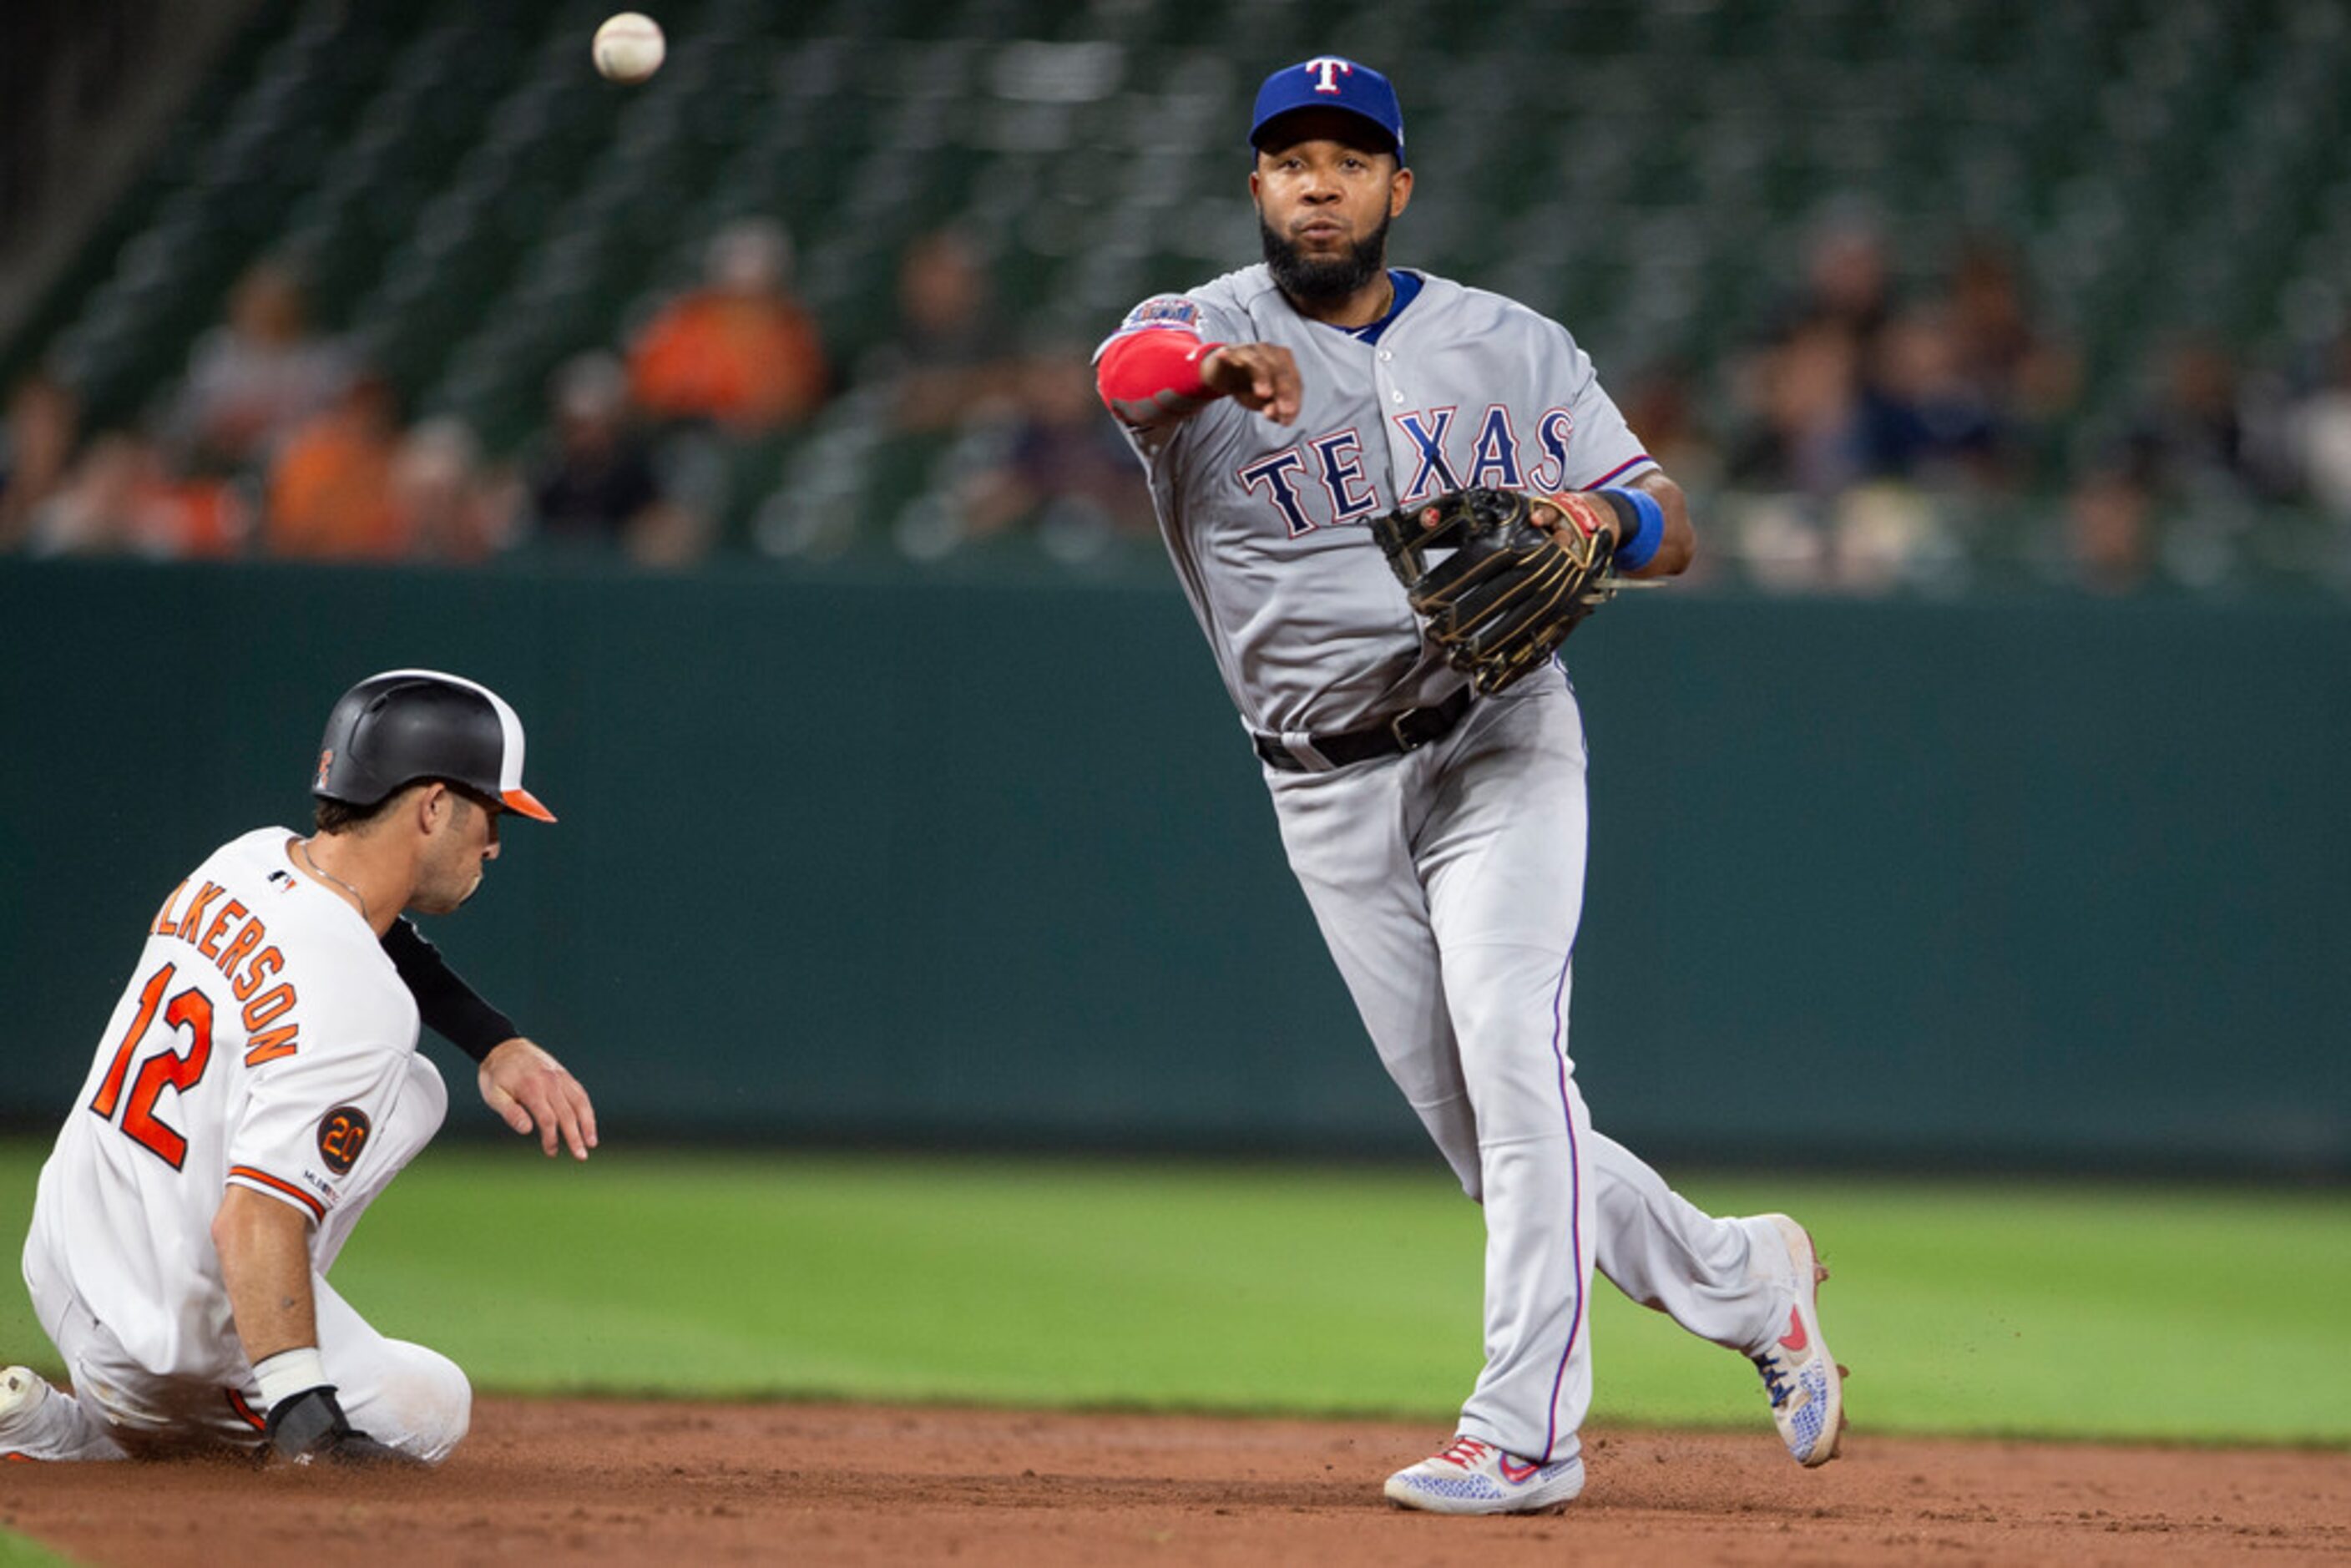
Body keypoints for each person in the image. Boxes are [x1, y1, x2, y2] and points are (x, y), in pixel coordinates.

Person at [1093, 58, 1844, 1515]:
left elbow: (1671, 527)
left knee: (1514, 1051)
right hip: (1323, 788)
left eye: (1351, 158)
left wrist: (1592, 511)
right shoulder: (1187, 331)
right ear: (1256, 187)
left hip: (1499, 734)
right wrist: (1212, 371)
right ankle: (1747, 1275)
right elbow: (1120, 377)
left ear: (1398, 187)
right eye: (1292, 158)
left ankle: (1525, 1432)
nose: (1321, 181)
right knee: (1494, 1144)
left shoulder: (1512, 343)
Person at [3, 670, 597, 1466]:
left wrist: (492, 1039)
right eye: (490, 814)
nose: (494, 842)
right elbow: (253, 1216)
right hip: (164, 1339)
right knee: (435, 1406)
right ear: (431, 807)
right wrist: (304, 1414)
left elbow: (362, 932)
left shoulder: (242, 864)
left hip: (64, 1261)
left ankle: (108, 1406)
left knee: (405, 1086)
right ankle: (88, 1434)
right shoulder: (359, 1005)